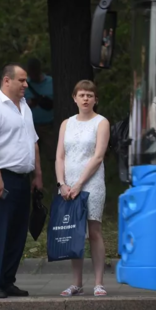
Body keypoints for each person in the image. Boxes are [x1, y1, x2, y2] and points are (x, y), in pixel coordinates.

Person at [0, 63, 43, 299]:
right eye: (22, 80)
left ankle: (6, 280)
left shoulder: (24, 106)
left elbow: (33, 142)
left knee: (17, 232)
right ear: (6, 81)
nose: (26, 85)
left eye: (26, 81)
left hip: (21, 178)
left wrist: (38, 175)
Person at [55, 80, 111, 297]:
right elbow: (60, 155)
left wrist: (79, 184)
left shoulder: (101, 122)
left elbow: (98, 156)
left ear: (95, 99)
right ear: (74, 98)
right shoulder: (66, 124)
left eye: (90, 95)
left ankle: (98, 282)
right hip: (68, 185)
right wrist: (62, 183)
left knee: (94, 231)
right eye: (82, 95)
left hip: (92, 183)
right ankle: (76, 283)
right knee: (73, 232)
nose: (86, 98)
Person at [25, 58, 55, 163]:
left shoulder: (51, 83)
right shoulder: (25, 86)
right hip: (31, 128)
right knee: (31, 159)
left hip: (49, 126)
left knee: (53, 157)